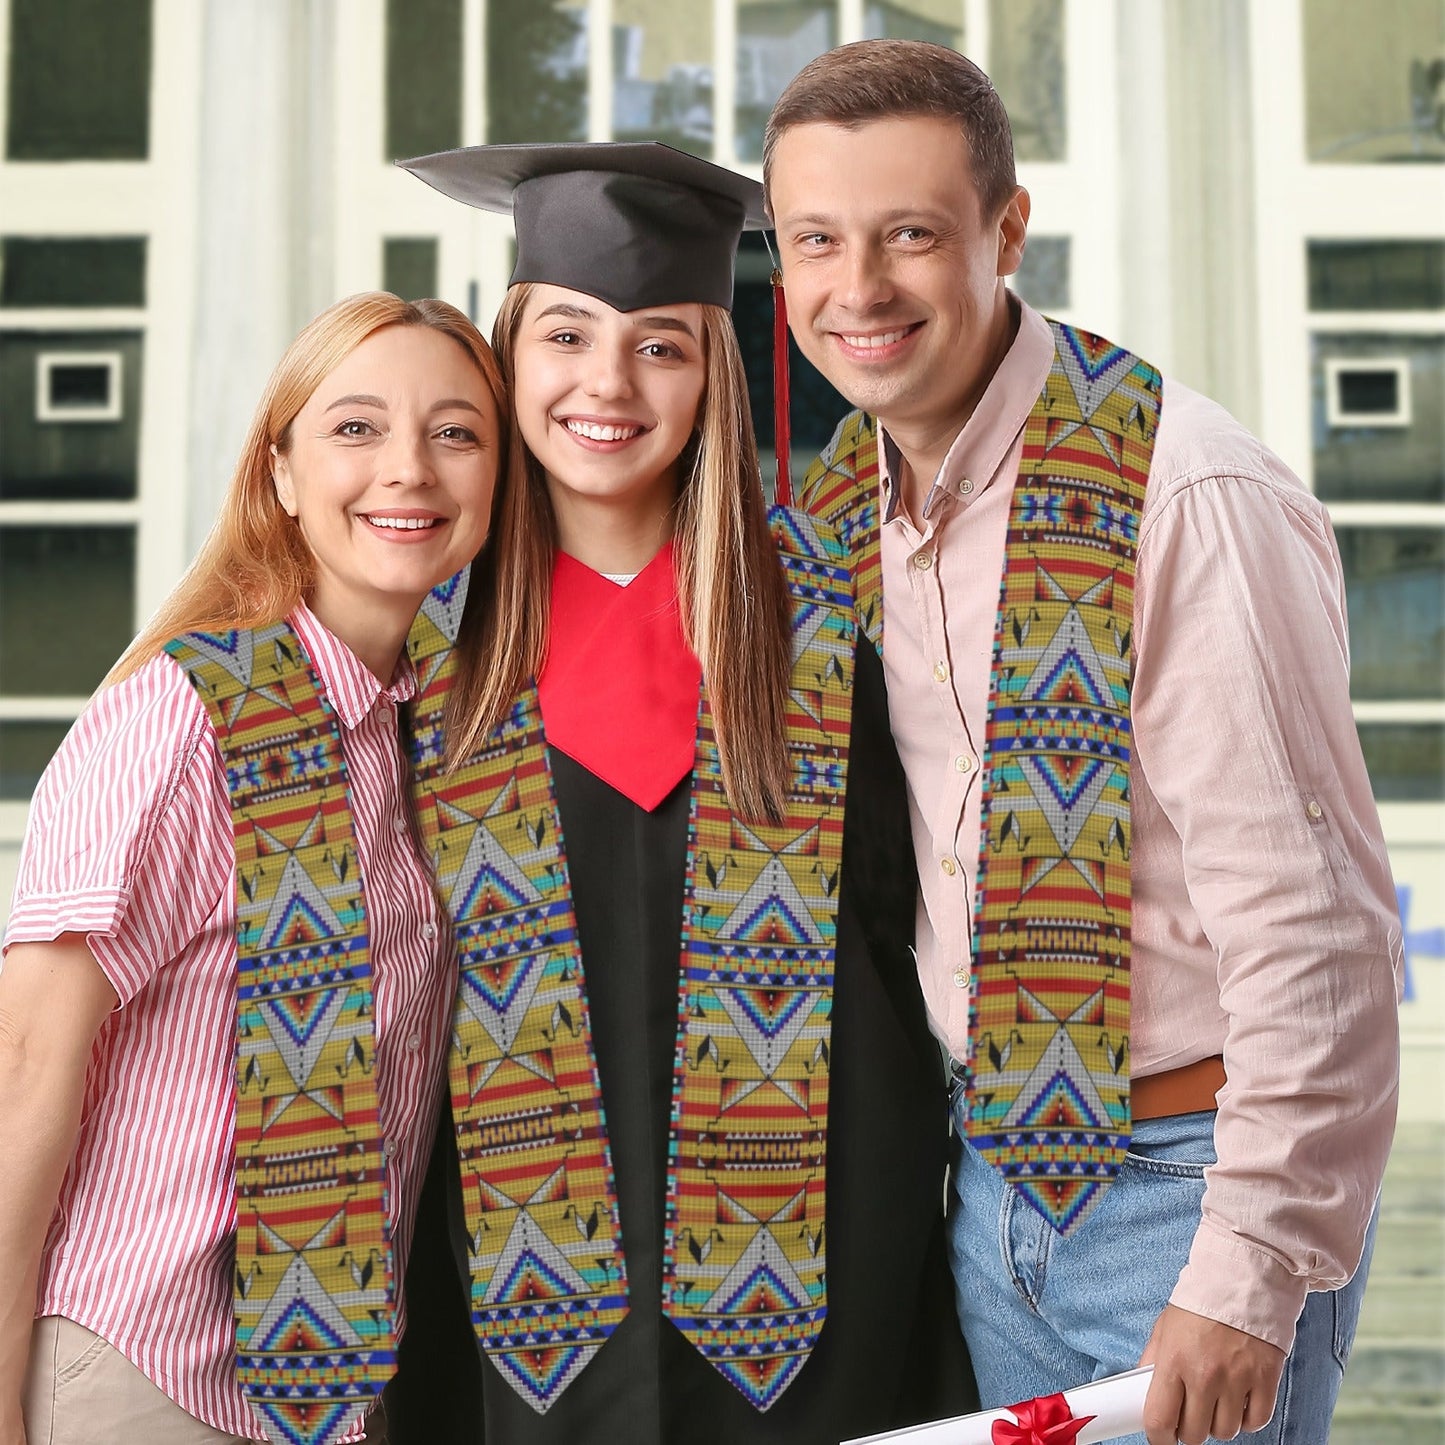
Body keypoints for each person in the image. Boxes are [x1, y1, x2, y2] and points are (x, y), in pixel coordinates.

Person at [761, 38, 1403, 1445]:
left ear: (1005, 231)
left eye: (910, 234)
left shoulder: (1182, 494)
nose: (856, 288)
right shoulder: (845, 508)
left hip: (1185, 1191)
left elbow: (1321, 934)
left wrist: (1247, 1272)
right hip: (989, 1190)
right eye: (817, 239)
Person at [382, 141, 973, 1444]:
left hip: (818, 1297)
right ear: (506, 354)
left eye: (660, 345)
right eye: (568, 337)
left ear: (712, 372)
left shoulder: (832, 618)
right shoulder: (418, 651)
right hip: (504, 1309)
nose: (607, 383)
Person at [0, 292, 506, 1445]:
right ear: (278, 473)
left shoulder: (431, 734)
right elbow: (25, 1054)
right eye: (356, 428)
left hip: (326, 1391)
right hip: (141, 1370)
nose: (408, 469)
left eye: (456, 432)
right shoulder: (179, 721)